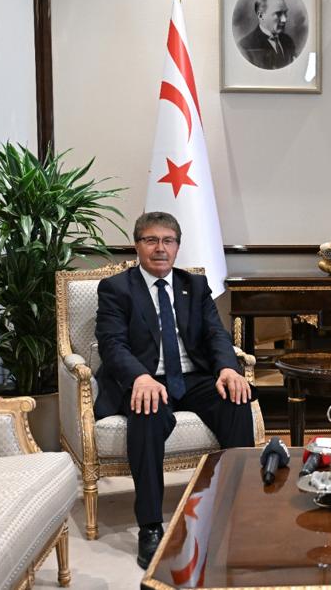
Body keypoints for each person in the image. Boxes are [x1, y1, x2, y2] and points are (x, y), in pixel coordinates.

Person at [94, 211, 255, 569]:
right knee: (147, 411)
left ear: (178, 246)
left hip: (192, 376)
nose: (160, 248)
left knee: (236, 400)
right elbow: (112, 344)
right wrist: (139, 377)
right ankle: (151, 525)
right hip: (148, 380)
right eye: (151, 240)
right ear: (137, 246)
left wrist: (228, 368)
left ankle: (235, 508)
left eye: (168, 241)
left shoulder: (194, 285)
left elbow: (215, 334)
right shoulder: (116, 288)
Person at [237, 0, 297, 70]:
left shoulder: (288, 41)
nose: (284, 19)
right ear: (261, 16)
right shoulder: (245, 46)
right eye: (278, 14)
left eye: (285, 13)